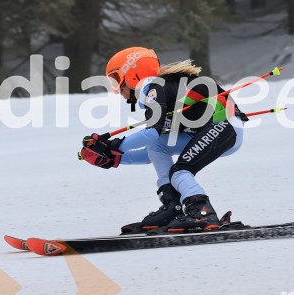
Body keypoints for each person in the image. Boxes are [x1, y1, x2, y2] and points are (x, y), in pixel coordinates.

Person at [79, 47, 247, 233]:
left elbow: (151, 132)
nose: (116, 90)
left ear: (133, 74)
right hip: (206, 130)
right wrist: (116, 158)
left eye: (116, 80)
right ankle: (173, 207)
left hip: (225, 127)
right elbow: (152, 147)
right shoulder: (160, 89)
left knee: (180, 171)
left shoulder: (155, 89)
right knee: (158, 147)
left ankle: (202, 212)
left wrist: (113, 146)